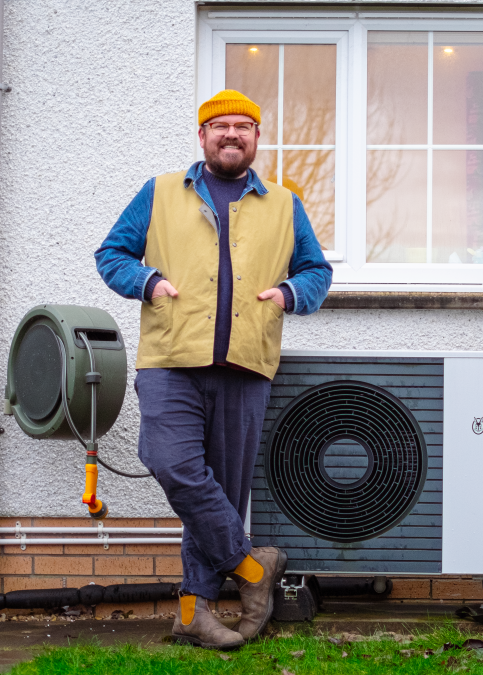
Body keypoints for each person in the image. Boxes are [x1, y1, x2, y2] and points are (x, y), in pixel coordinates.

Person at [95, 89, 333, 649]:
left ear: (256, 137)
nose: (232, 134)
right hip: (171, 358)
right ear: (202, 136)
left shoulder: (284, 203)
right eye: (220, 126)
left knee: (220, 493)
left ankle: (192, 613)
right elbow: (111, 254)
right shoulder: (160, 192)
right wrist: (149, 283)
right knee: (170, 462)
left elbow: (317, 272)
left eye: (243, 126)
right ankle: (252, 568)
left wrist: (290, 294)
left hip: (246, 364)